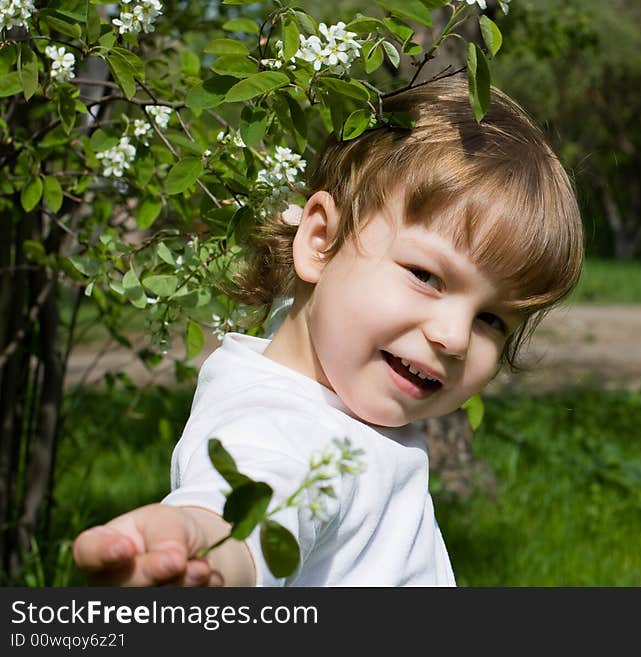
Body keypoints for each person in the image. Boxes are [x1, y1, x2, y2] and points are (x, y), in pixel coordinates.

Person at [71, 75, 584, 586]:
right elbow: (251, 502)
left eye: (492, 320)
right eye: (426, 276)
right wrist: (199, 547)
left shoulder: (324, 383)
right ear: (319, 241)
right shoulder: (281, 423)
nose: (454, 337)